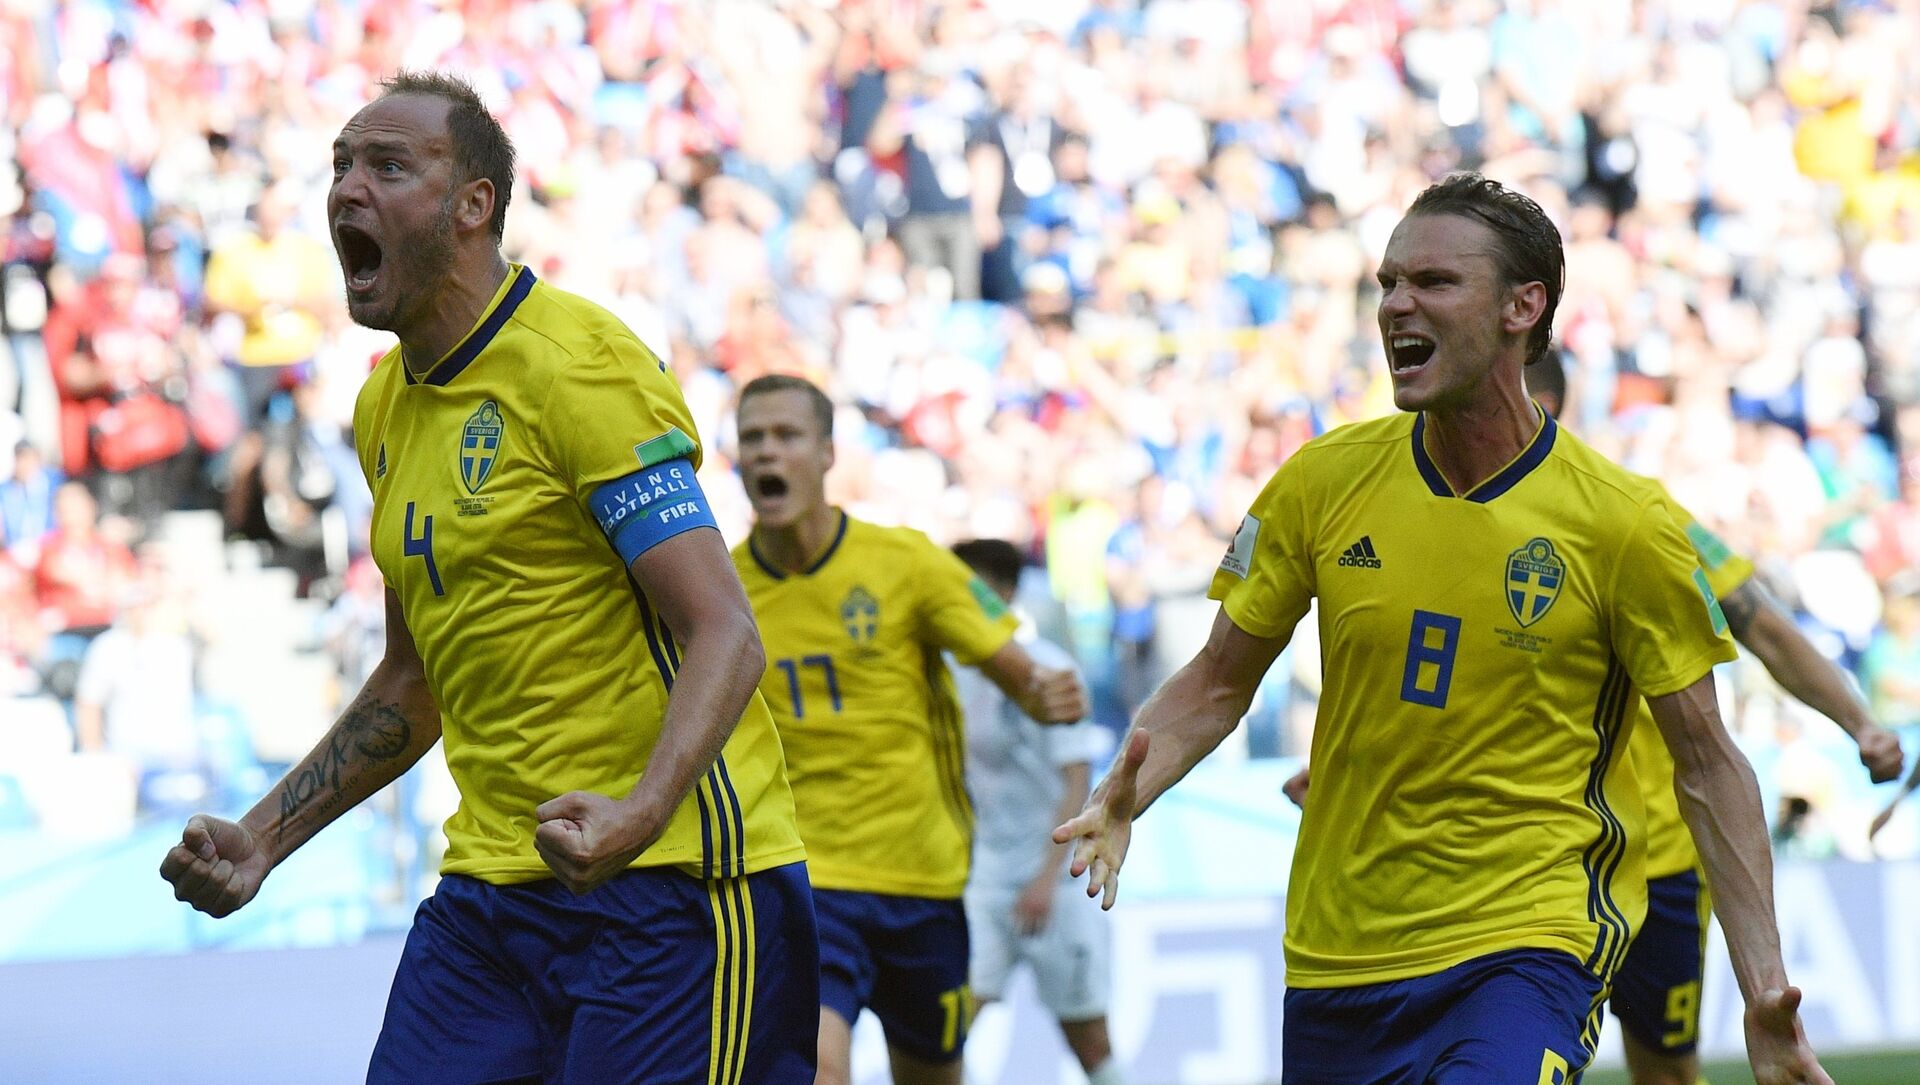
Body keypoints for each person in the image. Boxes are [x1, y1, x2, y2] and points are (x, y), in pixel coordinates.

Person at [1056, 173, 1831, 1085]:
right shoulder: (1320, 482)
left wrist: (1764, 989)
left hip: (1530, 941)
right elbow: (1218, 680)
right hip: (1341, 953)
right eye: (1388, 282)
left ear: (1521, 307)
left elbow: (1708, 762)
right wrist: (1128, 787)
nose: (1396, 304)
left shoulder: (1623, 525)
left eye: (1433, 281)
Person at [158, 71, 817, 1085]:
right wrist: (263, 836)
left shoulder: (579, 365)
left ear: (473, 205)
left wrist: (640, 811)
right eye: (340, 165)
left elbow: (724, 630)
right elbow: (411, 679)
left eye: (388, 165)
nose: (347, 189)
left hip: (676, 885)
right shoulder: (383, 407)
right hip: (492, 894)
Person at [1285, 352, 1903, 1085]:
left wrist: (1859, 720)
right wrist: (1347, 765)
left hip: (1657, 859)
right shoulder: (1407, 504)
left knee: (1665, 1074)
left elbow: (1760, 626)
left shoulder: (1632, 519)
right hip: (1525, 875)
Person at [730, 373, 1089, 1085]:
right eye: (752, 438)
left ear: (828, 453)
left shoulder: (908, 562)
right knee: (818, 1071)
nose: (767, 452)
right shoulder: (720, 591)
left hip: (921, 880)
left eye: (786, 435)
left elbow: (1011, 662)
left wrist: (1042, 691)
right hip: (800, 881)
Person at [950, 538, 1125, 1085]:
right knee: (945, 1037)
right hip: (981, 881)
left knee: (1090, 1042)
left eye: (973, 587)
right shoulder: (947, 674)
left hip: (1053, 884)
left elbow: (1077, 780)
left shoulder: (1048, 669)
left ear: (1005, 593)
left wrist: (1047, 878)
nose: (958, 598)